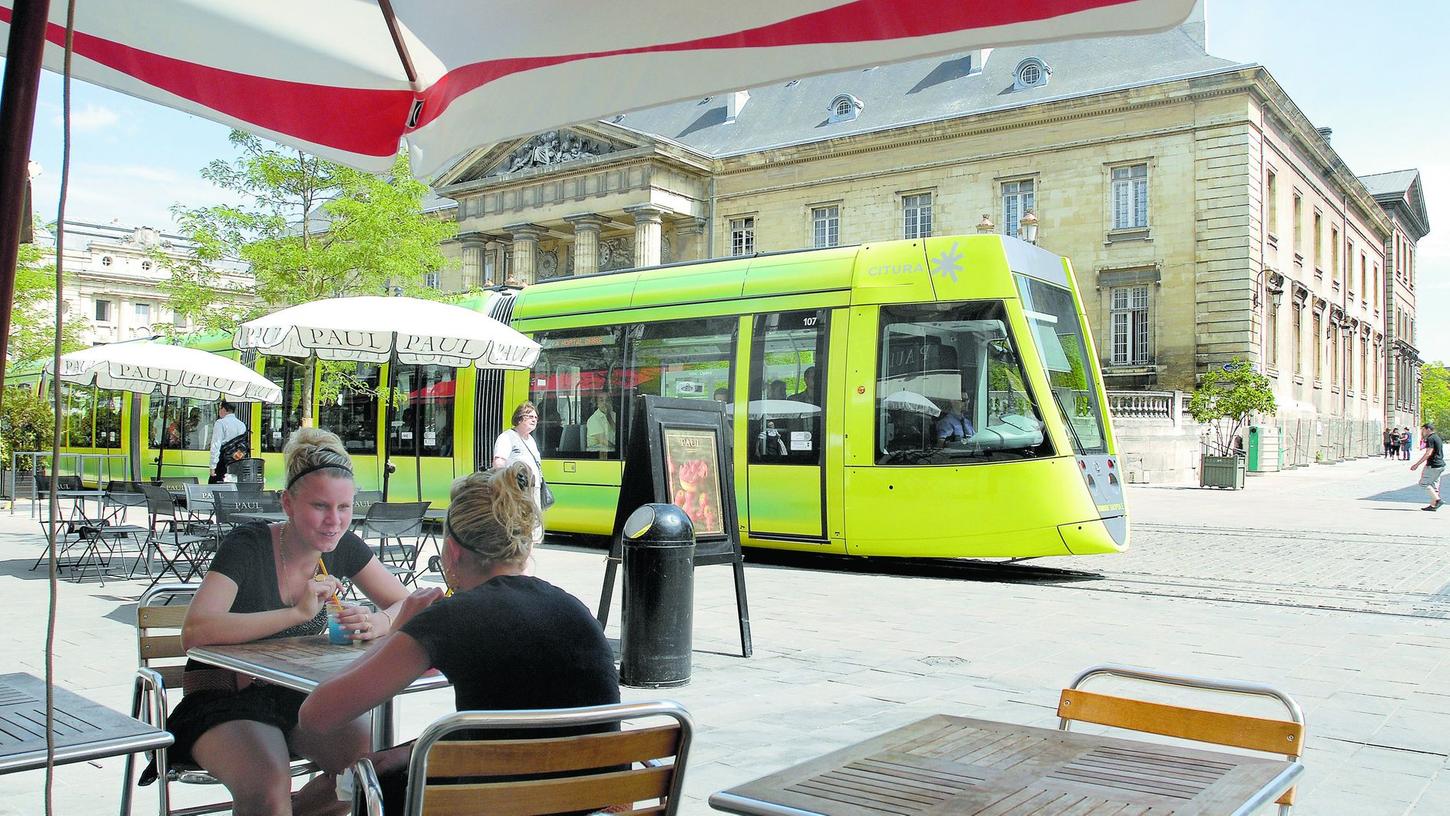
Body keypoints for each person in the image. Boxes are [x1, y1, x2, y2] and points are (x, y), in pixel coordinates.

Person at [297, 464, 619, 815]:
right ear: (522, 548)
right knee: (381, 767)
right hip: (591, 803)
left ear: (451, 552)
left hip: (497, 804)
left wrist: (399, 629)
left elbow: (316, 716)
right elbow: (516, 738)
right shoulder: (575, 610)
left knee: (367, 784)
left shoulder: (451, 618)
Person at [165, 428, 412, 816]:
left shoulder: (341, 546)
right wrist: (295, 615)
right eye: (320, 507)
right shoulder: (248, 546)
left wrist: (378, 622)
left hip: (298, 697)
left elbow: (407, 603)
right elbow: (195, 632)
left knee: (368, 770)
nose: (334, 521)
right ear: (288, 504)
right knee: (267, 784)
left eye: (344, 507)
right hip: (222, 697)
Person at [492, 401, 545, 543]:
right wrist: (506, 484)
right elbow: (498, 463)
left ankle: (526, 559)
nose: (534, 420)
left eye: (536, 417)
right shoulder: (507, 437)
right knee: (519, 529)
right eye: (530, 416)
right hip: (517, 490)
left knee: (533, 530)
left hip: (533, 489)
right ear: (520, 418)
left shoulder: (531, 440)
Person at [210, 401, 248, 483]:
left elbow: (215, 445)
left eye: (220, 408)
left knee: (215, 488)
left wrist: (213, 466)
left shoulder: (220, 423)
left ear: (224, 409)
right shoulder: (242, 425)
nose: (219, 411)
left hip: (223, 462)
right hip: (237, 461)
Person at [1411, 423, 1444, 511]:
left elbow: (1428, 453)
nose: (1422, 431)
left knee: (1423, 483)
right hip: (1440, 465)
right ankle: (1433, 505)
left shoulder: (1430, 438)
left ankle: (1437, 500)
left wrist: (1417, 464)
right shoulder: (1437, 437)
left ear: (1428, 429)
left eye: (1423, 429)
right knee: (1434, 485)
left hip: (1433, 465)